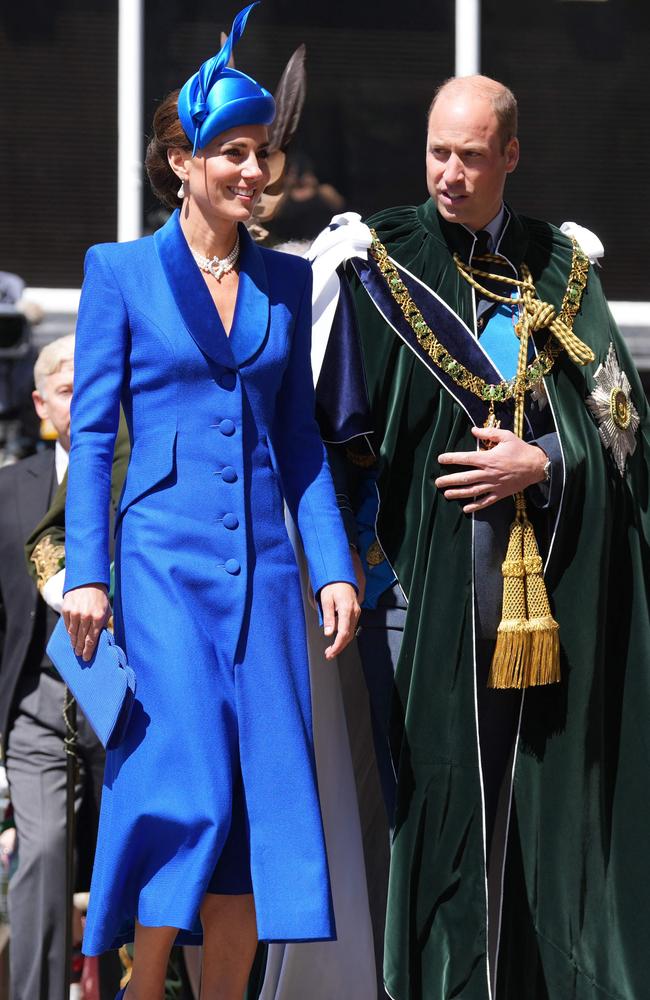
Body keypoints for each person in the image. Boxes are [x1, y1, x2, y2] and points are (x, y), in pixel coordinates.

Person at [309, 75, 650, 1000]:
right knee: (443, 811)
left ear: (510, 155)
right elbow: (330, 449)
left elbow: (626, 428)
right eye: (436, 153)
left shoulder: (566, 266)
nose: (449, 175)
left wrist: (544, 459)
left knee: (551, 812)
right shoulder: (373, 260)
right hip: (426, 603)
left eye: (470, 155)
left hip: (561, 598)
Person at [60, 5, 359, 1000]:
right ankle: (147, 990)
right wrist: (89, 574)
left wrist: (332, 566)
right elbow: (95, 436)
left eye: (259, 153)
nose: (248, 171)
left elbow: (303, 443)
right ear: (181, 162)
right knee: (187, 789)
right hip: (159, 573)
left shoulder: (284, 279)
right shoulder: (121, 272)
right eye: (228, 152)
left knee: (247, 813)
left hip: (265, 585)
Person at [0, 335, 106, 1000]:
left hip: (130, 699)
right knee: (39, 854)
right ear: (41, 403)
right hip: (38, 699)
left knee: (151, 856)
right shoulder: (10, 488)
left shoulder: (141, 473)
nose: (81, 399)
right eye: (67, 389)